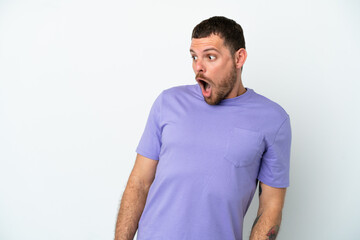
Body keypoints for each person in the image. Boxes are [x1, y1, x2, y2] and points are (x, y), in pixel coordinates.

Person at [115, 16, 292, 240]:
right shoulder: (168, 103)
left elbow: (271, 208)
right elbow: (139, 183)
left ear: (239, 58)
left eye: (210, 57)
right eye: (194, 57)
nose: (198, 67)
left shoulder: (273, 119)